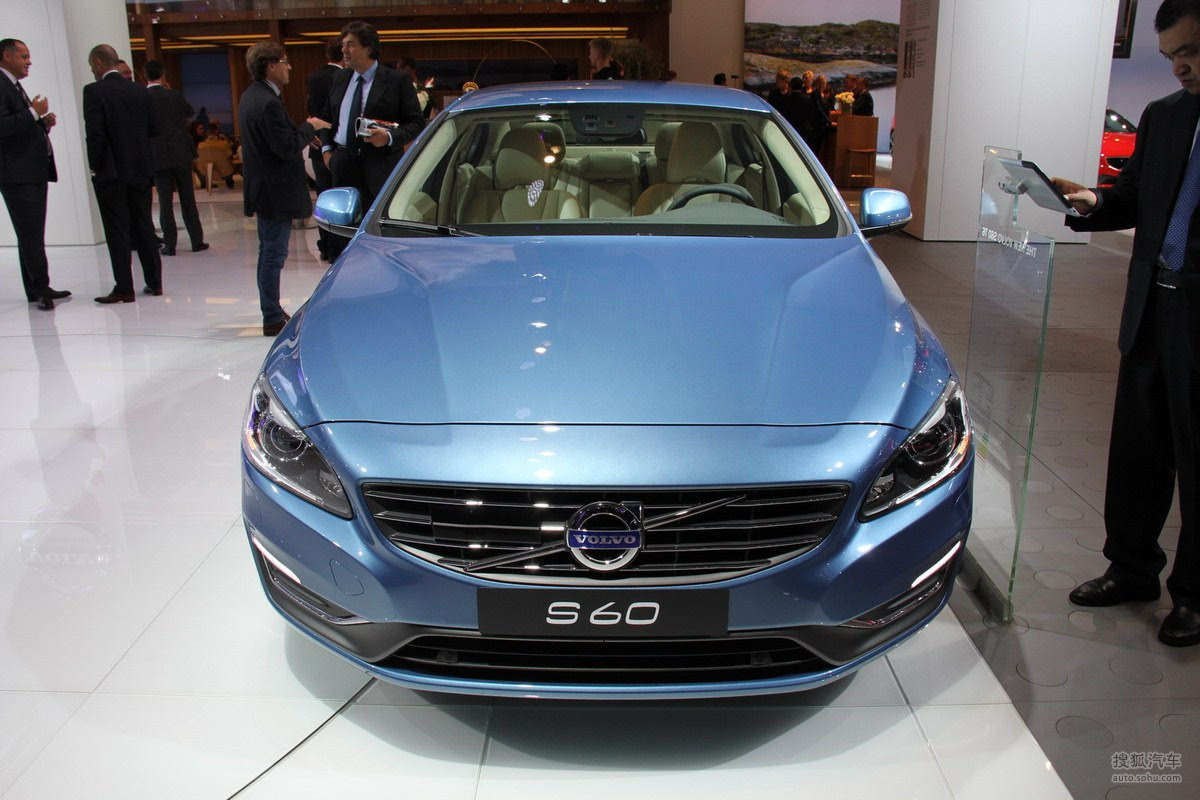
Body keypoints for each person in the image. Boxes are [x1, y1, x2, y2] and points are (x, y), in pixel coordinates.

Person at [1052, 0, 1200, 647]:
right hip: (1151, 307)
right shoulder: (1165, 116)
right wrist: (1093, 203)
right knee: (1139, 450)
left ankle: (1193, 596)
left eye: (1189, 51)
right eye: (1169, 56)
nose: (1178, 67)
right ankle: (1132, 569)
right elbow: (1136, 196)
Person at [239, 40, 330, 336]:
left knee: (269, 252)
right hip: (274, 191)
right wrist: (310, 127)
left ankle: (272, 311)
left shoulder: (253, 96)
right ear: (270, 66)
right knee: (273, 254)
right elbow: (286, 147)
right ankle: (271, 316)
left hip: (264, 188)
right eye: (285, 62)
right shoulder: (267, 102)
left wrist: (302, 133)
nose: (289, 67)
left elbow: (277, 138)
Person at [320, 21, 424, 249]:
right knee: (341, 234)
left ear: (368, 48)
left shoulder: (396, 81)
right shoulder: (339, 79)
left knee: (377, 236)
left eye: (351, 45)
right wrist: (327, 151)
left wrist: (389, 137)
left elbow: (416, 123)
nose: (344, 50)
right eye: (343, 45)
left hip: (380, 166)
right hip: (343, 163)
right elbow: (327, 120)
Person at [83, 43, 162, 303]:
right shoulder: (139, 91)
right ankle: (155, 282)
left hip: (111, 172)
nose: (91, 70)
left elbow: (95, 135)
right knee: (143, 224)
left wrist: (95, 165)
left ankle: (124, 287)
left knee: (116, 229)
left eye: (91, 65)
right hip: (140, 169)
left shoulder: (93, 91)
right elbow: (153, 129)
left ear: (98, 62)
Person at [0, 38, 69, 310]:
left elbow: (19, 127)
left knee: (30, 234)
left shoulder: (13, 85)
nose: (29, 62)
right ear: (6, 56)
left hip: (29, 171)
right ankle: (41, 289)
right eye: (24, 57)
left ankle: (36, 287)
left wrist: (42, 122)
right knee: (31, 235)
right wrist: (33, 113)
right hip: (18, 174)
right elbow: (3, 126)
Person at [145, 59, 207, 257]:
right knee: (187, 198)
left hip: (158, 155)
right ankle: (196, 240)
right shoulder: (173, 95)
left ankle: (169, 244)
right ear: (163, 75)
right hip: (180, 153)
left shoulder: (143, 98)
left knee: (165, 201)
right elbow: (189, 111)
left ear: (146, 76)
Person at [306, 39, 342, 262]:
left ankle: (325, 245)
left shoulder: (313, 78)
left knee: (323, 197)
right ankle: (338, 247)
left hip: (317, 143)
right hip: (337, 146)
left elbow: (311, 111)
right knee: (340, 198)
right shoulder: (344, 78)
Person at [196, 121, 236, 189]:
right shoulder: (224, 144)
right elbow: (230, 156)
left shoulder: (200, 146)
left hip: (207, 172)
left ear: (206, 132)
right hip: (226, 172)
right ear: (216, 131)